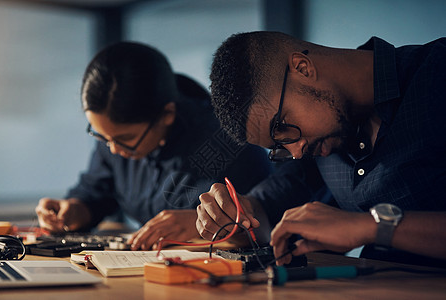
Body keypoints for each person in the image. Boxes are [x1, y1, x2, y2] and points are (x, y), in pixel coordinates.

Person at [196, 31, 446, 267]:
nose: (295, 151)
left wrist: (371, 227)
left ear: (303, 68)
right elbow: (269, 205)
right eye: (278, 146)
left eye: (281, 127)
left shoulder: (436, 73)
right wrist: (235, 214)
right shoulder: (320, 141)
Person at [35, 41, 271, 250]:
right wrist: (74, 210)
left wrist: (203, 223)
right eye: (103, 137)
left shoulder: (229, 140)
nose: (114, 150)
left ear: (167, 114)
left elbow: (266, 221)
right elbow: (96, 192)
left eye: (124, 139)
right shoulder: (114, 139)